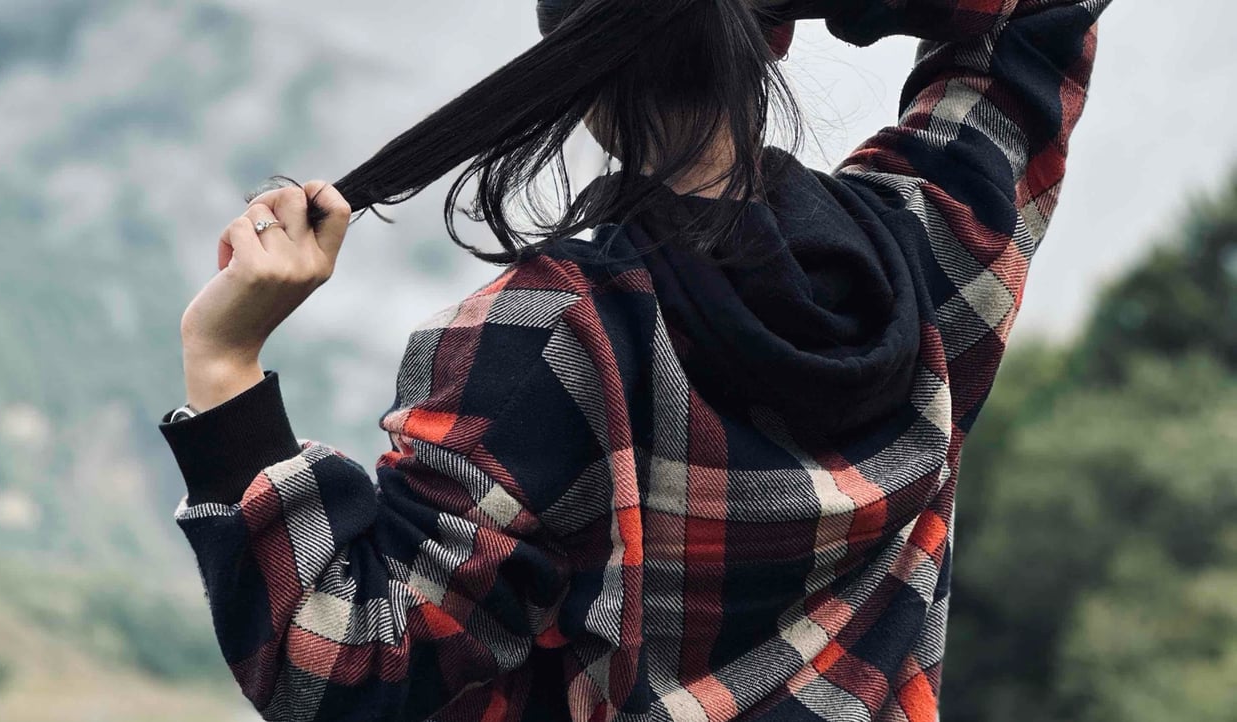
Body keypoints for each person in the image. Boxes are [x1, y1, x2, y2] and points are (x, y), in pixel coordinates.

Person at [157, 0, 1111, 719]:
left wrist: (225, 360)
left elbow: (344, 670)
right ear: (775, 36)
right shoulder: (928, 256)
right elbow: (1038, 14)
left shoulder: (548, 337)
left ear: (576, 83)